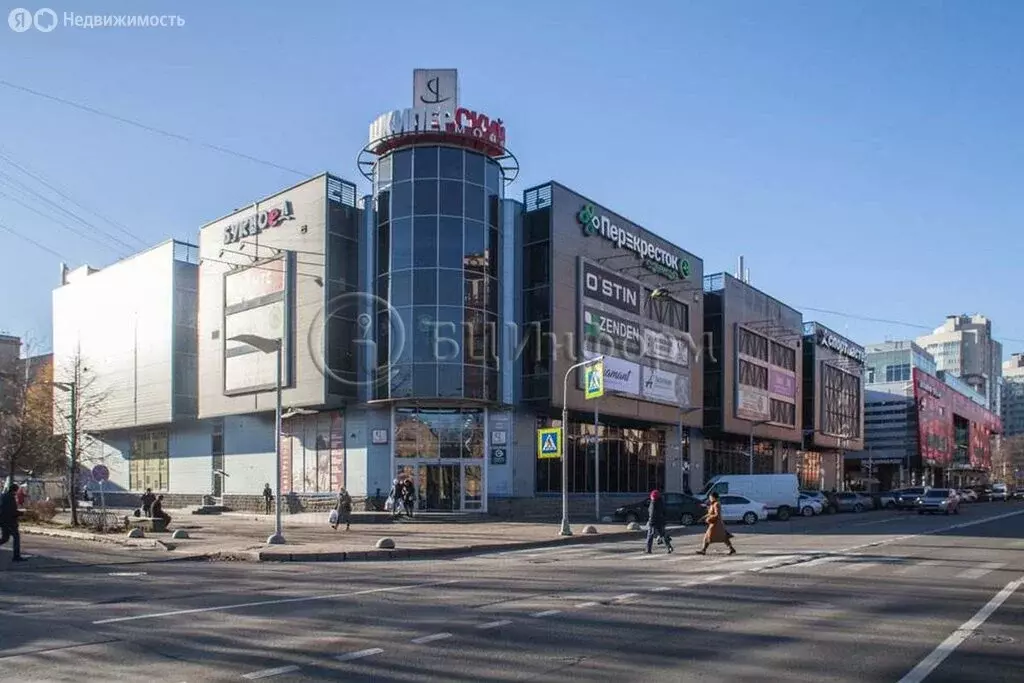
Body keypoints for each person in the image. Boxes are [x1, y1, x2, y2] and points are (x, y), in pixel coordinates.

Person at [0, 482, 24, 561]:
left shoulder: (4, 496)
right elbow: (12, 511)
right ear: (15, 490)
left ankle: (16, 556)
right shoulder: (11, 498)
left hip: (3, 520)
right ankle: (16, 556)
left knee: (5, 538)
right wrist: (21, 513)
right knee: (16, 538)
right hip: (10, 522)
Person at [645, 490, 673, 554]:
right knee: (662, 535)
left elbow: (652, 513)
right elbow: (665, 512)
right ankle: (669, 547)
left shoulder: (653, 502)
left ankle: (648, 549)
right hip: (661, 521)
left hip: (653, 521)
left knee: (650, 536)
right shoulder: (661, 502)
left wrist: (650, 521)